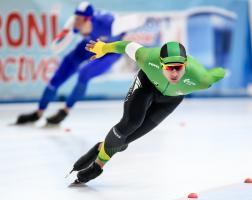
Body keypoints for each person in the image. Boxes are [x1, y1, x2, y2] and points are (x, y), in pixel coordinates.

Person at [69, 40, 226, 184]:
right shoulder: (147, 57)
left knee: (125, 140)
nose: (174, 73)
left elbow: (219, 72)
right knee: (130, 123)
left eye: (179, 67)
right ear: (160, 63)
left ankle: (101, 147)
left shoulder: (202, 79)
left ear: (185, 64)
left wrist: (222, 71)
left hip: (170, 100)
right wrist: (104, 48)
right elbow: (127, 46)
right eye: (169, 67)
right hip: (147, 85)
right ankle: (97, 167)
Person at [16, 2, 146, 125]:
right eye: (76, 18)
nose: (76, 22)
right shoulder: (73, 23)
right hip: (90, 45)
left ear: (88, 19)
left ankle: (65, 111)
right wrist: (69, 32)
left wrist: (137, 23)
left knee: (84, 74)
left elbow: (138, 19)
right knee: (62, 71)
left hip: (110, 51)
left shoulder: (110, 24)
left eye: (80, 19)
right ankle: (39, 112)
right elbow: (56, 47)